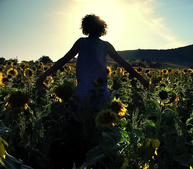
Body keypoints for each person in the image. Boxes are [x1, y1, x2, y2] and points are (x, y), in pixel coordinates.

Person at [35, 14, 149, 168]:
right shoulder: (106, 45)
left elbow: (63, 60)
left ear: (85, 28)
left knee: (79, 131)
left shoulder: (81, 43)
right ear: (103, 28)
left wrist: (43, 76)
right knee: (99, 131)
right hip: (101, 94)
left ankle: (79, 160)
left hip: (82, 94)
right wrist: (141, 78)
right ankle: (96, 162)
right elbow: (125, 64)